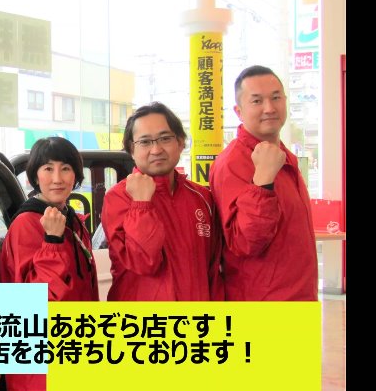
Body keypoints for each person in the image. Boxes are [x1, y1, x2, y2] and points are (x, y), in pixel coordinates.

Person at [209, 65, 317, 301]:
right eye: (257, 101)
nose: (269, 108)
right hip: (262, 302)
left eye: (276, 98)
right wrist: (263, 184)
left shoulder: (283, 155)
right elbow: (245, 242)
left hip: (299, 297)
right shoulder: (232, 162)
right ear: (239, 111)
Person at [0, 136, 99, 391]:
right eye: (48, 168)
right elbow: (37, 302)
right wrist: (52, 241)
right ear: (35, 176)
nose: (57, 178)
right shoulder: (27, 224)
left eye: (65, 168)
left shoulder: (71, 220)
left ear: (75, 175)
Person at [102, 101, 223, 301]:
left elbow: (213, 270)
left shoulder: (202, 197)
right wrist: (141, 205)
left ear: (181, 143)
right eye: (145, 142)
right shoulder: (118, 198)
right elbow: (143, 263)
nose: (156, 149)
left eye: (165, 138)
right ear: (131, 149)